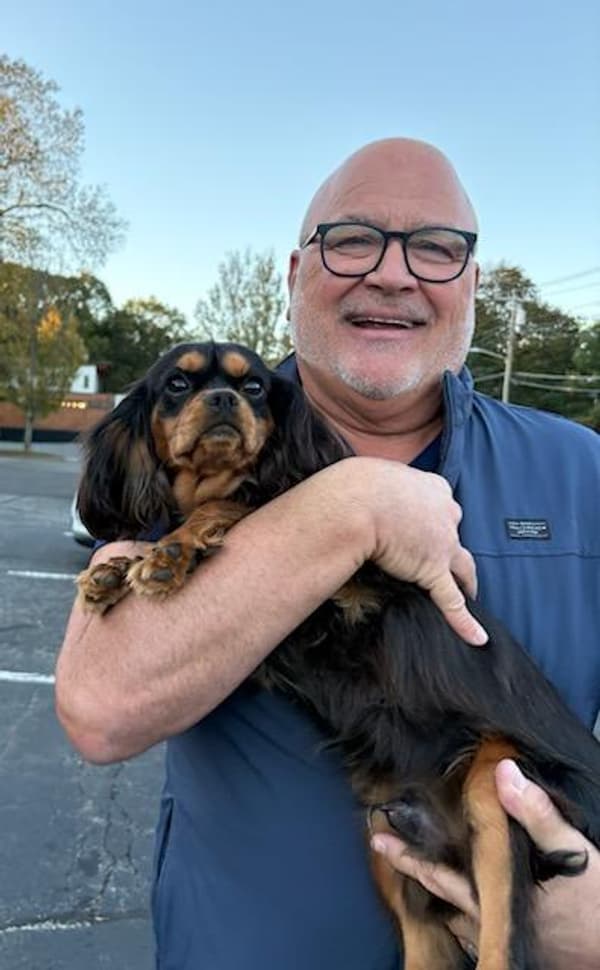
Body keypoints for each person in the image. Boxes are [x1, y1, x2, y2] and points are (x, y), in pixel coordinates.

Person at [55, 138, 600, 970]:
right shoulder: (194, 469)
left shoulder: (582, 473)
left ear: (472, 283)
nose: (393, 274)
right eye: (353, 239)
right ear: (294, 274)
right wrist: (351, 510)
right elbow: (100, 708)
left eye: (435, 247)